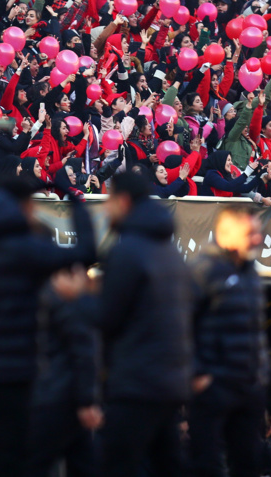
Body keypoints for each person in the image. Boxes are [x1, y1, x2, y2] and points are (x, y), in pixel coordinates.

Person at [0, 175, 97, 477]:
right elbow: (85, 253)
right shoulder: (23, 249)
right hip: (15, 372)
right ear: (24, 206)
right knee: (14, 459)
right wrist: (74, 200)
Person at [92, 171, 192, 477]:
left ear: (123, 202)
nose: (106, 208)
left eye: (109, 200)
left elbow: (108, 317)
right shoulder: (169, 252)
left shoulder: (128, 251)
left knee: (118, 464)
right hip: (170, 381)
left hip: (137, 381)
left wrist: (80, 299)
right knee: (168, 464)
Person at [187, 205, 268, 477]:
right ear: (227, 233)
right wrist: (198, 374)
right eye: (251, 233)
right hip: (213, 389)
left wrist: (261, 375)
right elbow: (180, 325)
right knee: (207, 466)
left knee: (248, 464)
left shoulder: (250, 274)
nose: (258, 239)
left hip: (248, 388)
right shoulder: (203, 270)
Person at [27, 268, 100, 477]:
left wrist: (87, 400)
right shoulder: (57, 298)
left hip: (53, 398)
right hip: (67, 398)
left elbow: (83, 350)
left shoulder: (55, 298)